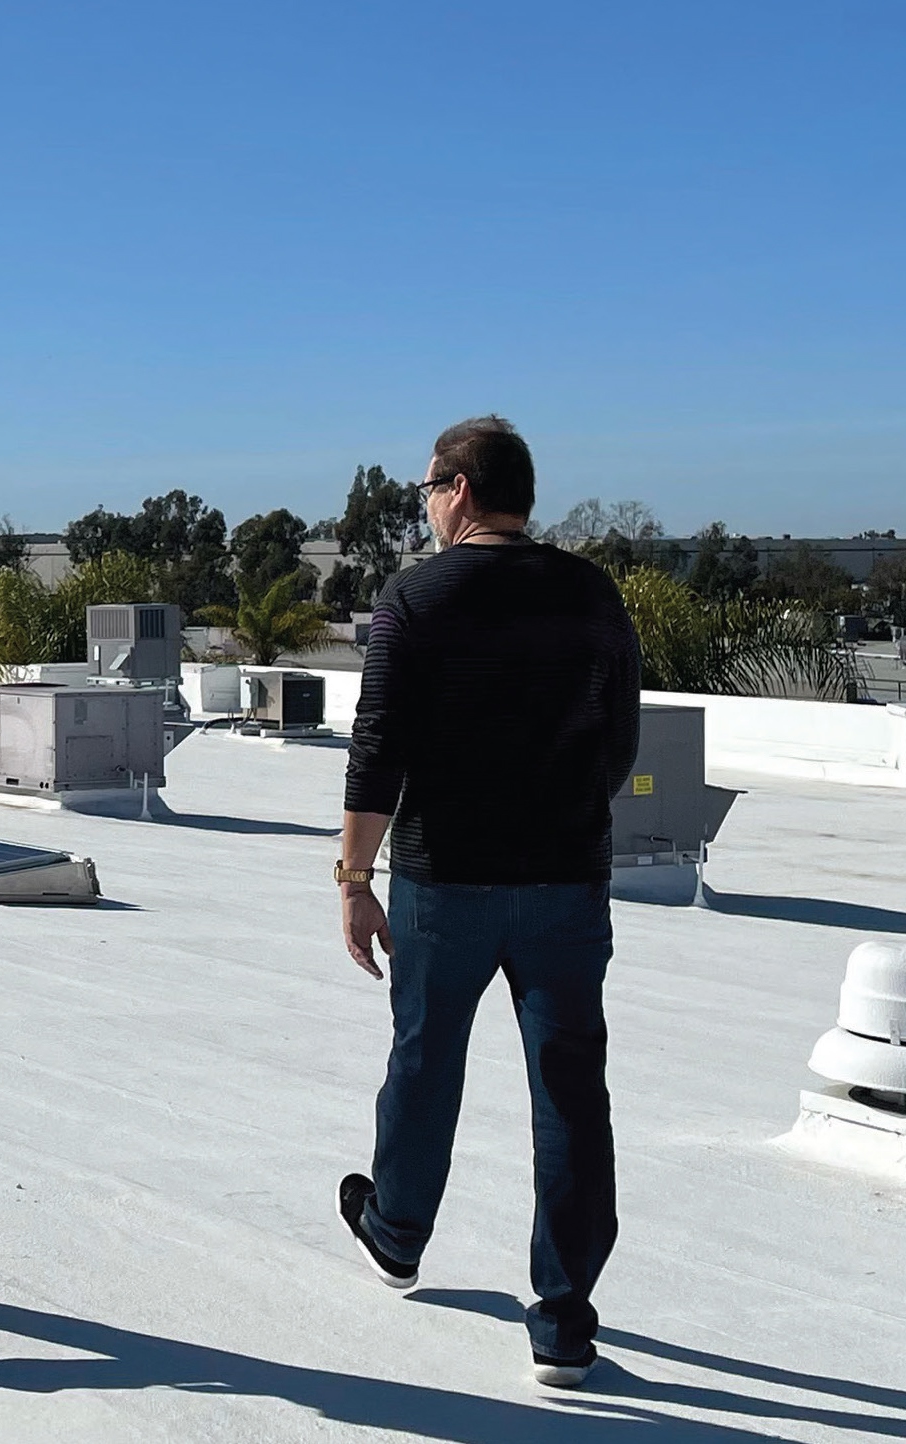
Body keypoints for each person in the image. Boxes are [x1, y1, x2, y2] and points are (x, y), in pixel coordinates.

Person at [331, 416, 642, 1390]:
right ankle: (562, 1319)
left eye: (428, 488)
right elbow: (621, 740)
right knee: (569, 1094)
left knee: (424, 1061)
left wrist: (352, 879)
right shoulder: (591, 594)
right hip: (564, 886)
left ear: (460, 489)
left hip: (443, 881)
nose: (425, 504)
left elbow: (377, 745)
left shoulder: (415, 597)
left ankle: (395, 1232)